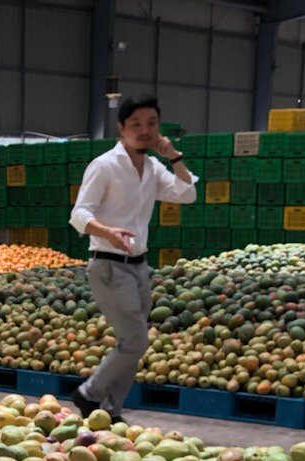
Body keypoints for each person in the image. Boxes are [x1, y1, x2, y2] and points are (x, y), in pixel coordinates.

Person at [69, 95, 196, 420]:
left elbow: (187, 194)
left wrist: (173, 156)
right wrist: (108, 232)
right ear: (122, 128)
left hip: (139, 266)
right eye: (136, 124)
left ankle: (110, 412)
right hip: (108, 264)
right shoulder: (105, 166)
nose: (145, 130)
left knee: (132, 342)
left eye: (151, 124)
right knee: (136, 340)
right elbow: (79, 213)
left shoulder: (152, 167)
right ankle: (89, 394)